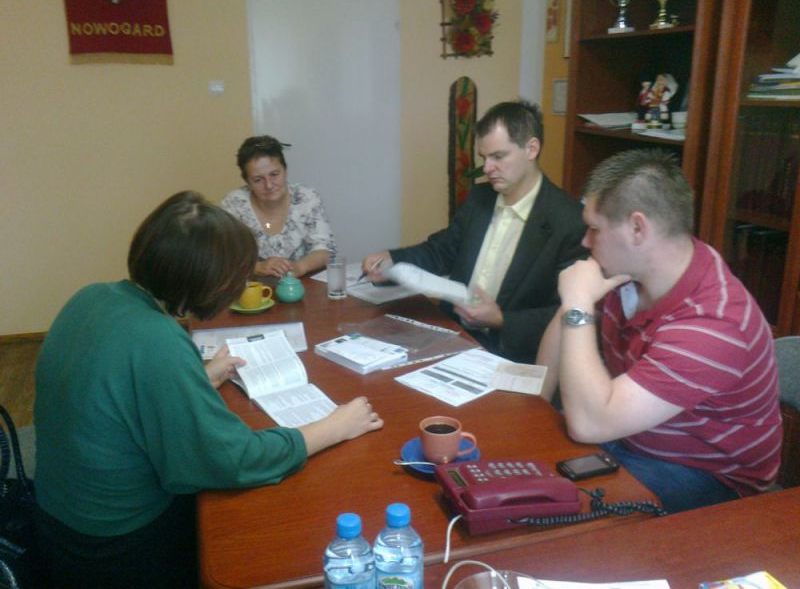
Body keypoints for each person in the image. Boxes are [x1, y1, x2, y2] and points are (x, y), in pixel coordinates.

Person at [33, 191, 383, 587]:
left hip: (58, 518)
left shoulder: (92, 296)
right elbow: (231, 459)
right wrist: (334, 427)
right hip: (114, 548)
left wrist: (195, 377)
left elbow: (117, 384)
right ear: (203, 279)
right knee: (258, 536)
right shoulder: (158, 341)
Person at [536, 149, 782, 514]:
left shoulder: (715, 324)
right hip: (627, 434)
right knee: (522, 470)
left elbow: (589, 424)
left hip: (707, 476)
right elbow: (559, 343)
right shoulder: (631, 268)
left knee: (555, 511)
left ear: (637, 229)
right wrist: (532, 407)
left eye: (595, 229)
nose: (586, 241)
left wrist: (577, 303)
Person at [362, 100, 587, 362]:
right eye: (484, 158)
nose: (487, 168)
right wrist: (392, 260)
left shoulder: (569, 221)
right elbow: (442, 251)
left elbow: (570, 311)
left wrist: (502, 319)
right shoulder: (480, 198)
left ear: (531, 149)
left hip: (510, 352)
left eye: (498, 157)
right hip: (453, 335)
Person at [222, 135, 336, 278]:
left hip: (303, 283)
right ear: (247, 182)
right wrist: (257, 267)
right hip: (253, 287)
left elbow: (325, 250)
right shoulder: (233, 204)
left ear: (285, 171)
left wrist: (299, 267)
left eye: (274, 174)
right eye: (258, 180)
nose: (269, 185)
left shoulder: (307, 197)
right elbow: (222, 258)